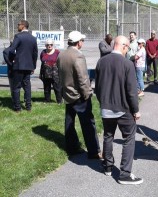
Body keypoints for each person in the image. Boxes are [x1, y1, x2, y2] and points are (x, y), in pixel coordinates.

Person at [95, 35, 143, 185]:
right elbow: (131, 91)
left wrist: (103, 102)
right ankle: (124, 174)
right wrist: (136, 110)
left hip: (106, 107)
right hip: (123, 109)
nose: (127, 50)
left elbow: (97, 88)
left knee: (108, 136)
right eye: (127, 47)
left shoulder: (101, 62)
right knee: (129, 138)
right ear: (123, 46)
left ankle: (108, 166)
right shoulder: (127, 64)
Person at [57, 30, 102, 159]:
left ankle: (71, 148)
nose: (83, 42)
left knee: (69, 121)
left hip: (67, 94)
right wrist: (88, 94)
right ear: (78, 42)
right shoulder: (78, 56)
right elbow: (83, 78)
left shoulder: (61, 55)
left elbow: (60, 75)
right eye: (82, 40)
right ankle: (94, 151)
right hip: (79, 96)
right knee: (88, 123)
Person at [8, 19, 38, 112]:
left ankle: (18, 108)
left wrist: (12, 59)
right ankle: (28, 107)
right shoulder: (33, 38)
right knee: (27, 87)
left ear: (23, 26)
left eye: (18, 25)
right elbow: (35, 53)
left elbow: (12, 50)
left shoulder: (18, 36)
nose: (17, 26)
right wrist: (33, 66)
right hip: (29, 66)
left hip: (19, 66)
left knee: (16, 87)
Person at [39, 39, 62, 103]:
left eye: (51, 44)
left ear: (53, 45)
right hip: (45, 73)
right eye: (47, 45)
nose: (49, 46)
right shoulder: (43, 52)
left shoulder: (57, 52)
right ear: (45, 45)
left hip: (55, 73)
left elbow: (60, 62)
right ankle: (47, 100)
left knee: (57, 88)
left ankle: (59, 101)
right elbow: (42, 61)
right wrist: (41, 74)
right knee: (46, 88)